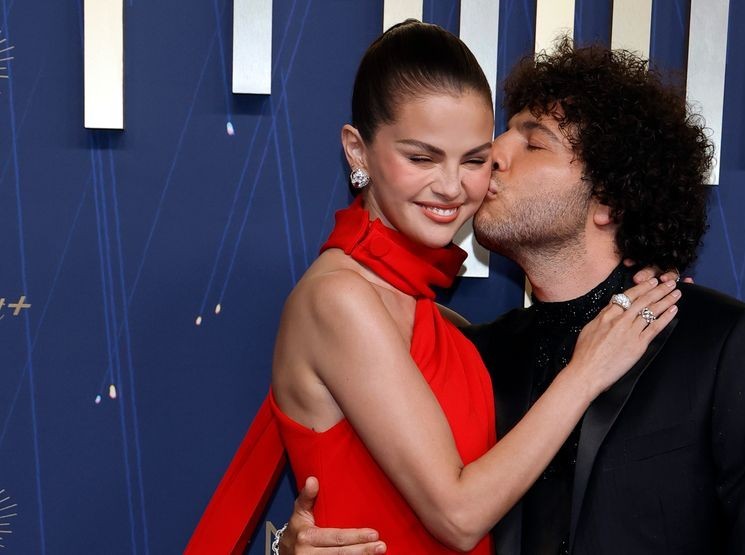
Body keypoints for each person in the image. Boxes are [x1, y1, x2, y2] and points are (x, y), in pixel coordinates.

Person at [281, 40, 745, 554]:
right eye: (501, 135)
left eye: (533, 142)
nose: (494, 156)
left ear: (609, 198)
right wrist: (292, 542)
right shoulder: (476, 355)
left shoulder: (724, 346)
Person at [186, 23, 680, 555]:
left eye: (472, 160)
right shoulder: (341, 297)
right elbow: (460, 515)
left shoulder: (440, 320)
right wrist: (585, 373)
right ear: (357, 150)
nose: (450, 186)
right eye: (421, 158)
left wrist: (286, 544)